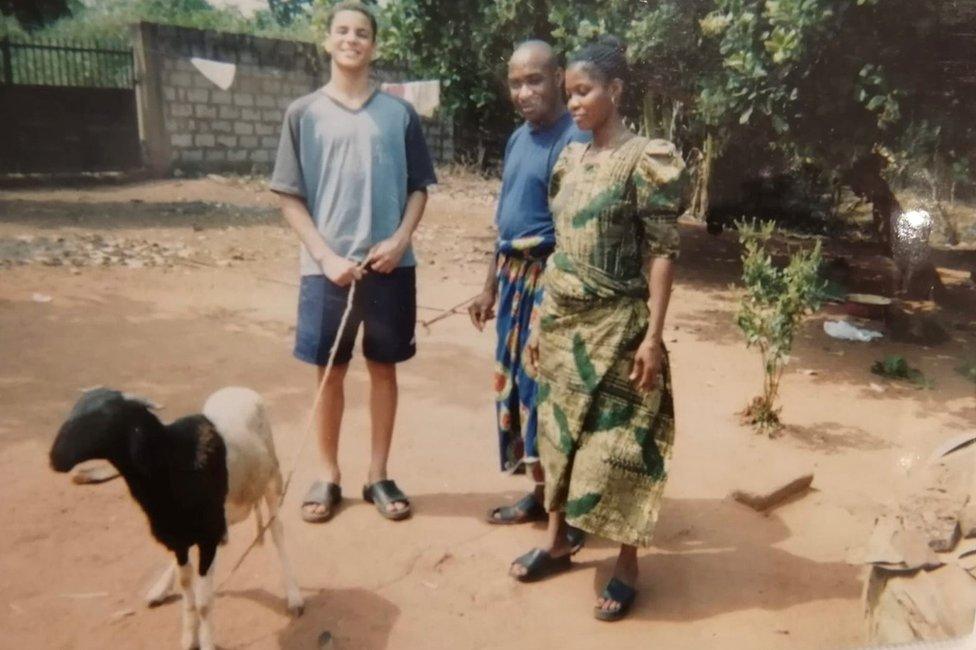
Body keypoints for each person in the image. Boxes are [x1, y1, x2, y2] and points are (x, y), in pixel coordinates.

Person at [508, 35, 687, 622]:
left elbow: (662, 253)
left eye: (584, 92)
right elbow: (561, 249)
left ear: (615, 90)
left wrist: (653, 337)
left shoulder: (646, 158)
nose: (576, 103)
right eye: (571, 94)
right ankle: (558, 542)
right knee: (559, 441)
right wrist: (539, 322)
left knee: (622, 452)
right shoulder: (570, 158)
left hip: (620, 330)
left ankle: (627, 564)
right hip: (563, 325)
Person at [269, 1, 437, 523]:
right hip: (327, 270)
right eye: (342, 31)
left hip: (390, 266)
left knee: (383, 368)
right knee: (330, 373)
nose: (352, 39)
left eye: (362, 32)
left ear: (375, 45)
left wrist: (398, 240)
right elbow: (288, 196)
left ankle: (377, 474)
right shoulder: (303, 112)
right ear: (327, 41)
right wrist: (325, 256)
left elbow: (418, 189)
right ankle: (328, 475)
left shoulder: (398, 113)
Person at [468, 41, 586, 544]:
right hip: (514, 282)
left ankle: (570, 512)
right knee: (517, 393)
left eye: (534, 80)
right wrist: (488, 285)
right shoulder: (519, 138)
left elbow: (578, 231)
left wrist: (552, 294)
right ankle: (539, 497)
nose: (524, 92)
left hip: (551, 285)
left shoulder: (576, 139)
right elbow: (504, 224)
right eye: (515, 82)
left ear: (558, 78)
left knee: (549, 398)